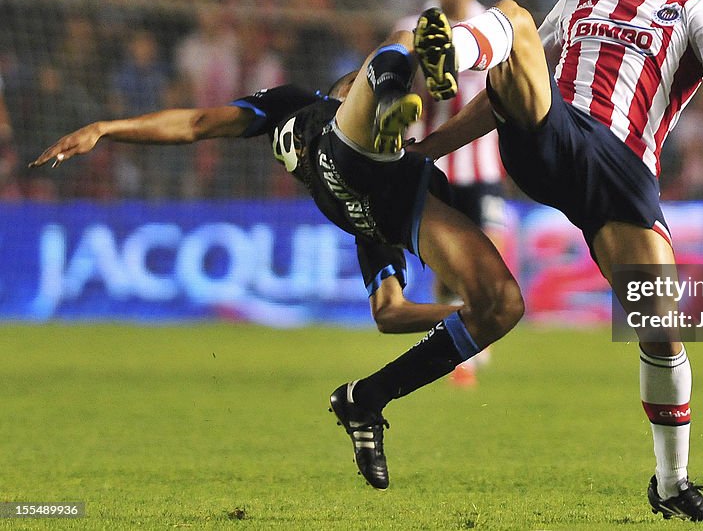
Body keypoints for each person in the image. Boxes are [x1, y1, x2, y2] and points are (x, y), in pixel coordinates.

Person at [411, 0, 703, 524]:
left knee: (660, 323)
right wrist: (433, 146)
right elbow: (509, 86)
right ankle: (452, 48)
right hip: (552, 139)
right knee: (512, 21)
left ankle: (672, 481)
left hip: (621, 173)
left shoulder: (696, 11)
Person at [30, 30, 524, 492]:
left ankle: (365, 398)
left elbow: (390, 314)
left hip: (386, 203)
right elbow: (197, 123)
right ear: (342, 89)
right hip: (340, 162)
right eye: (359, 83)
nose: (359, 85)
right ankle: (395, 104)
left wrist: (461, 315)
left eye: (367, 85)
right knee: (403, 40)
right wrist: (107, 128)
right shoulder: (297, 104)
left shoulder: (373, 204)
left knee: (500, 306)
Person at [395, 0, 506, 386]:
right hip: (436, 165)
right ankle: (462, 348)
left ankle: (474, 334)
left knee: (490, 253)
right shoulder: (414, 27)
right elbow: (401, 78)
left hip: (484, 166)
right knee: (450, 264)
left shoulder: (491, 27)